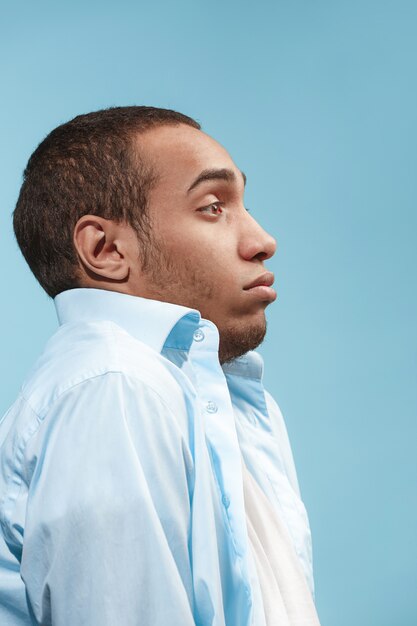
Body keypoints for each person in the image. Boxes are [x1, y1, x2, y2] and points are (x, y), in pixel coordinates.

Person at [0, 106, 321, 625]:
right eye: (213, 206)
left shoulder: (217, 398)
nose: (262, 240)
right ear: (105, 249)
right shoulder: (117, 389)